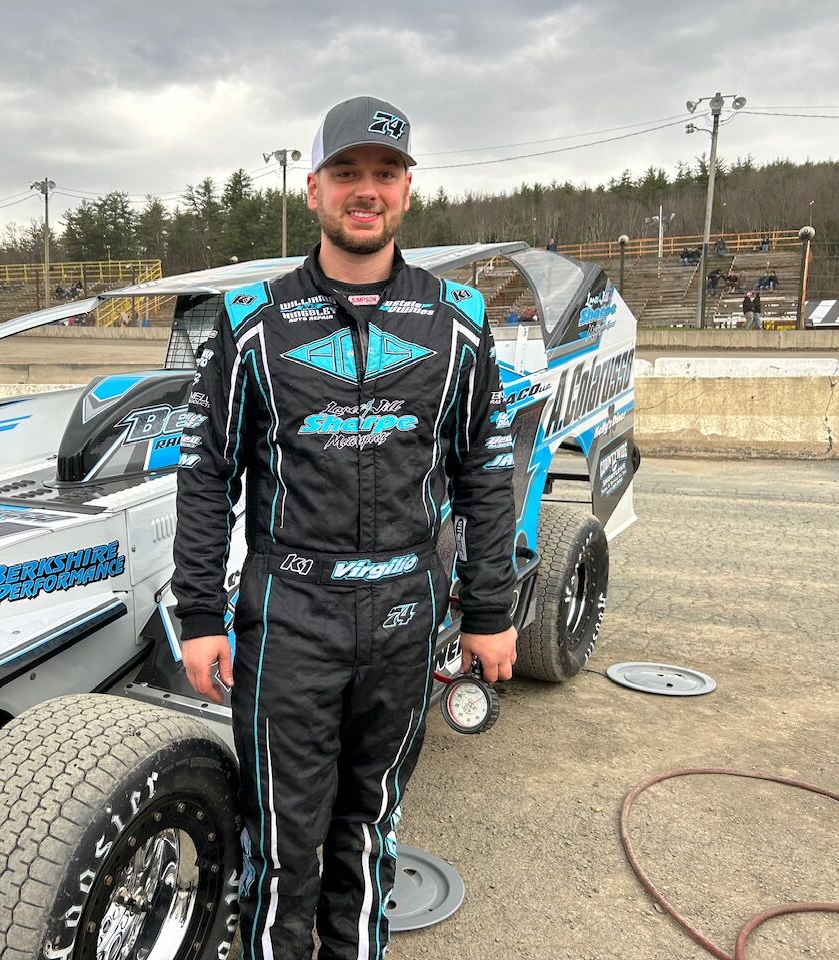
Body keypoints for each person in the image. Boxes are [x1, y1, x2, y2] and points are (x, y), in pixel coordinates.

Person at [172, 96, 518, 960]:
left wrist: (490, 609)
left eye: (384, 174)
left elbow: (486, 471)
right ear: (315, 188)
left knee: (369, 829)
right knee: (286, 843)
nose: (367, 191)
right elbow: (206, 472)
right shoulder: (250, 319)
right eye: (347, 174)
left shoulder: (461, 320)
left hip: (406, 610)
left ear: (407, 188)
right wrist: (202, 617)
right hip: (290, 611)